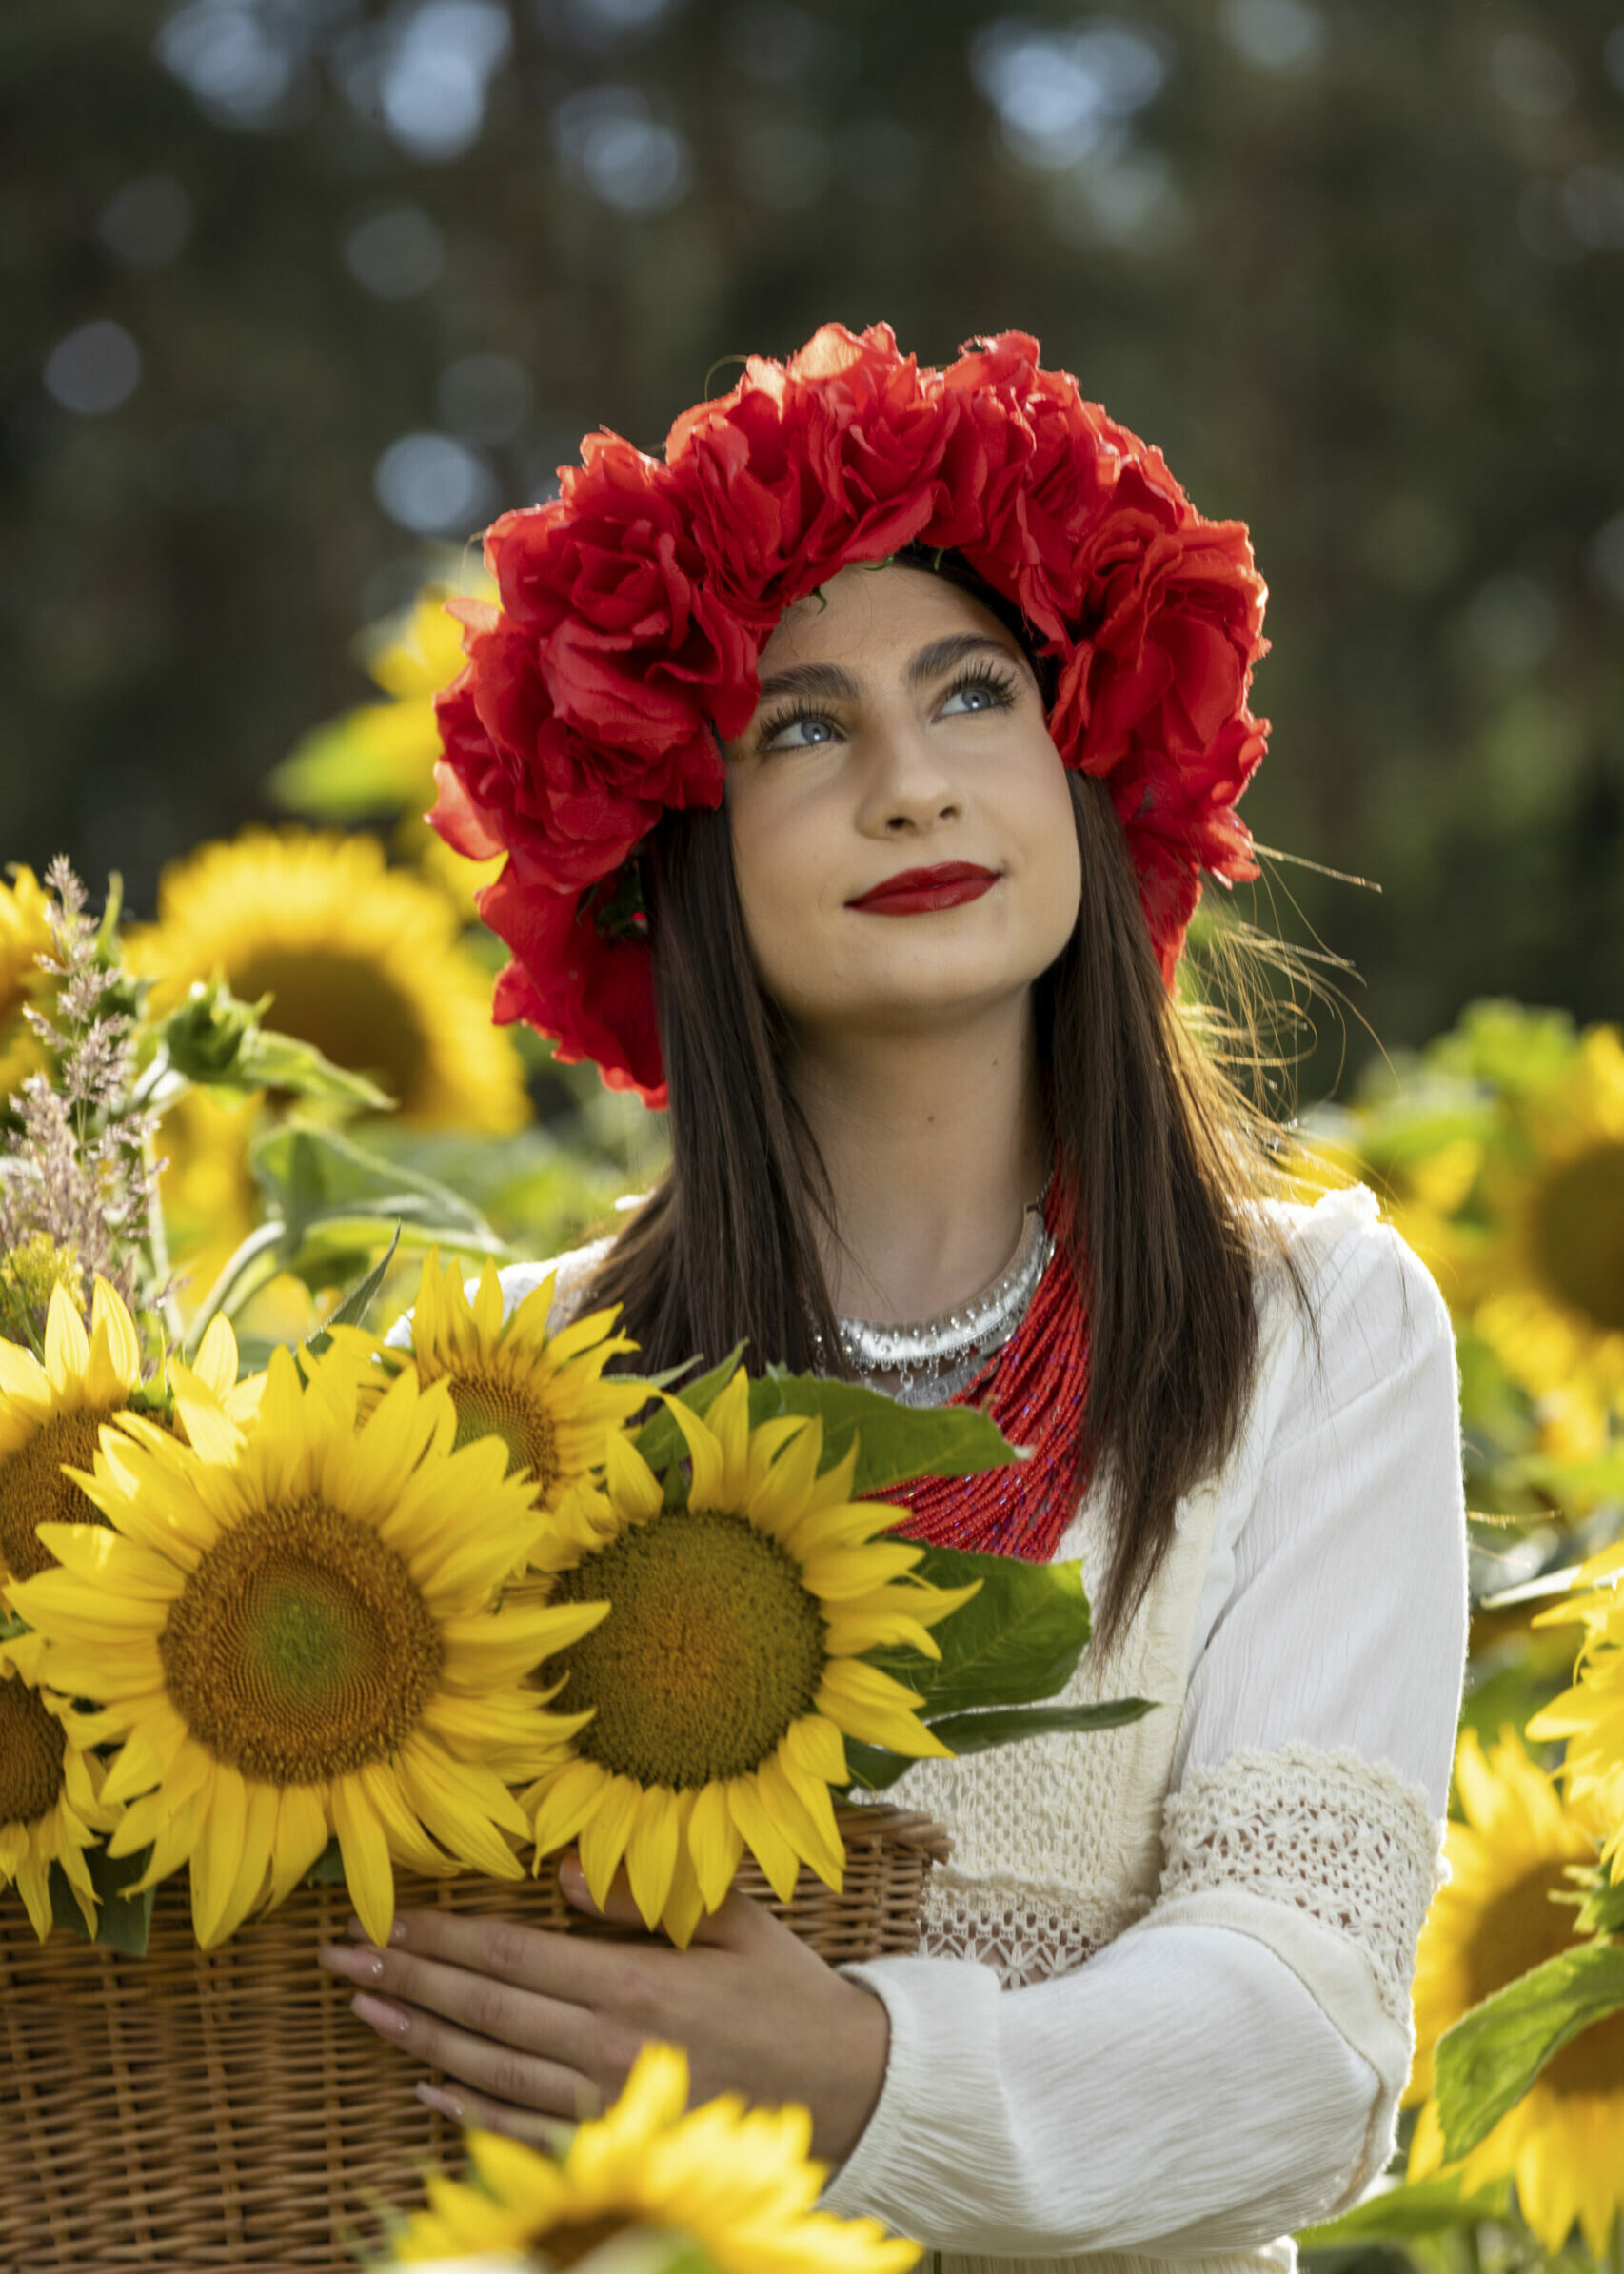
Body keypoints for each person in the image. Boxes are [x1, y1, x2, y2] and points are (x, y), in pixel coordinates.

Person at [317, 326, 1468, 2269]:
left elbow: (1307, 2026)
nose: (911, 784)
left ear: (1089, 759)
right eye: (800, 727)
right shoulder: (509, 1379)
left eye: (972, 692)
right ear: (663, 837)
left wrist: (856, 2073)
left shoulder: (1323, 1327)